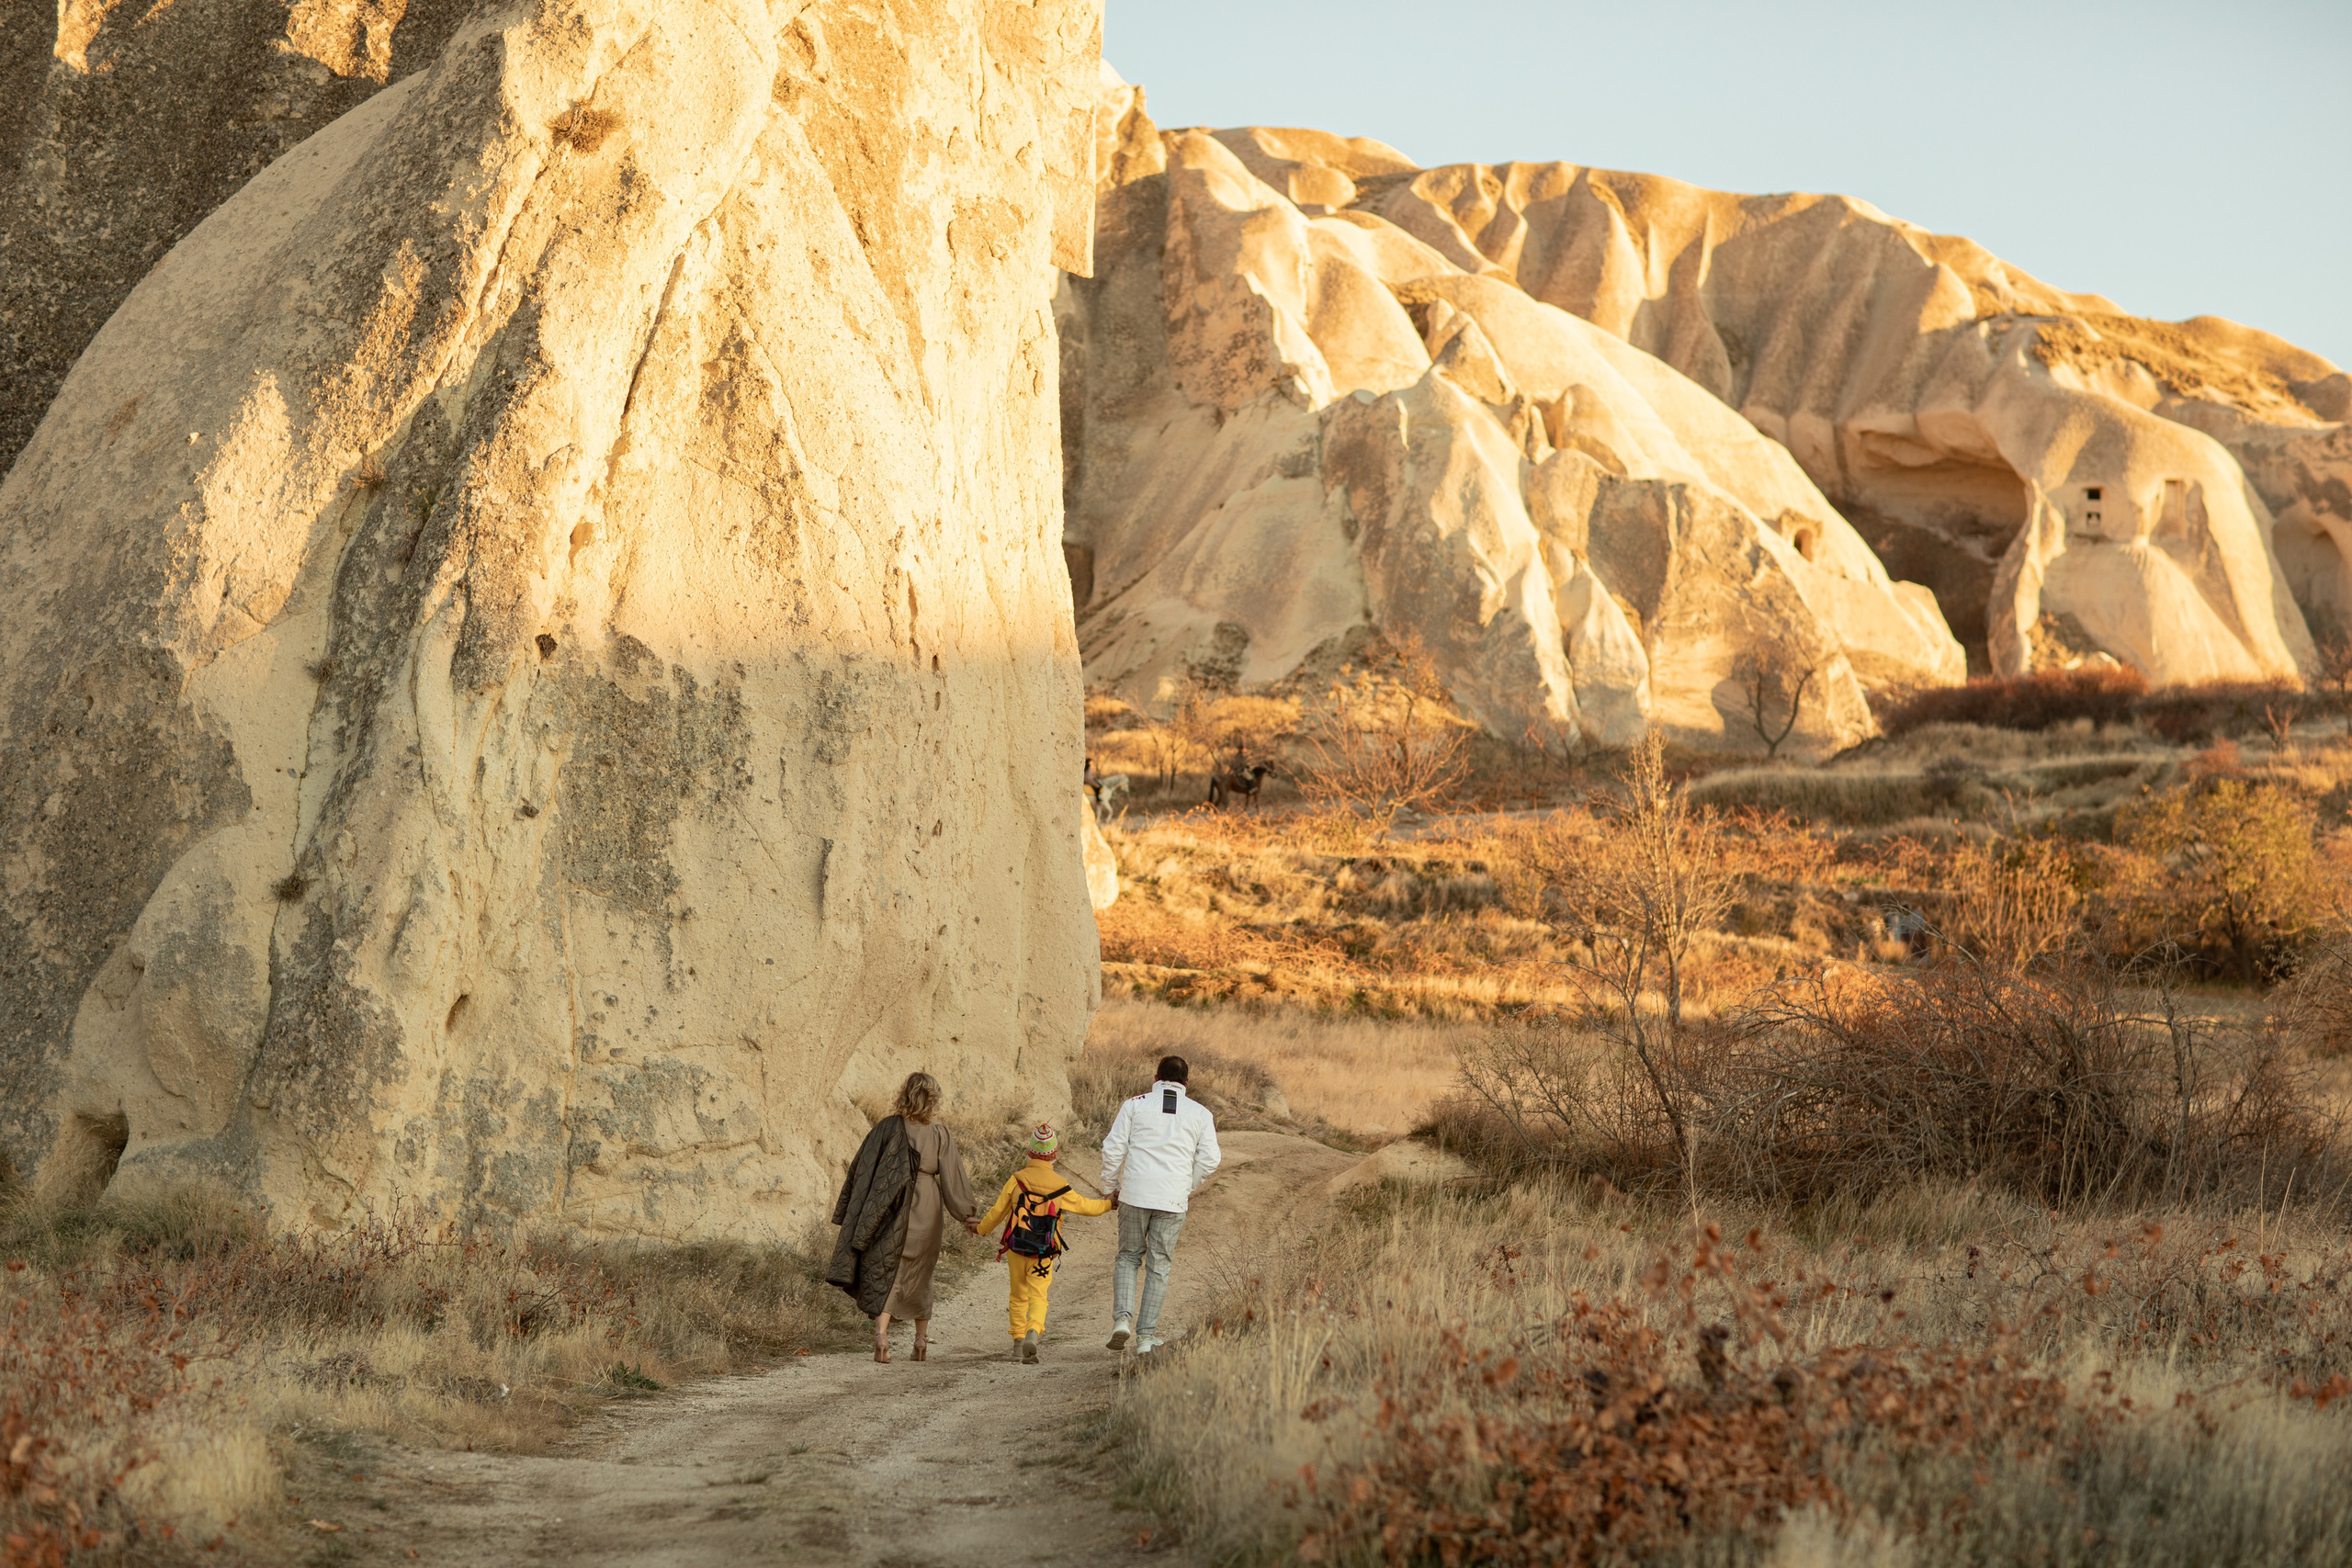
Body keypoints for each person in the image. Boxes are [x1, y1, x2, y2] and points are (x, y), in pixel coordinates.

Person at [826, 1072, 976, 1364]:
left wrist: (854, 1210)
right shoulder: (939, 1133)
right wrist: (967, 1216)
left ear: (904, 1094)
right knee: (922, 1274)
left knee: (888, 1272)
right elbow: (953, 1180)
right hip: (927, 1208)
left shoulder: (886, 1128)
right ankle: (920, 1342)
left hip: (890, 1209)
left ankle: (881, 1337)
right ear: (933, 1100)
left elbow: (862, 1169)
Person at [1100, 1055, 1221, 1355]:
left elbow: (1112, 1149)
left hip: (1134, 1194)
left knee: (1128, 1256)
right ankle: (1145, 1338)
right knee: (1159, 1265)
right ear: (1187, 1083)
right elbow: (1210, 1160)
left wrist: (1109, 1188)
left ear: (1156, 1079)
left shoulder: (1135, 1104)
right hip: (1172, 1200)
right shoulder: (1200, 1113)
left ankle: (1121, 1321)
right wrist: (1186, 1184)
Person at [970, 1122, 1114, 1363]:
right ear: (1054, 1155)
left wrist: (980, 1229)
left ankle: (1017, 1343)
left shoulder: (1018, 1180)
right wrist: (1110, 1204)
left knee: (1018, 1295)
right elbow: (1086, 1207)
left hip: (1016, 1247)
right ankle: (1033, 1332)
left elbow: (997, 1212)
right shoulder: (1061, 1186)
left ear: (1030, 1152)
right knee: (1038, 1296)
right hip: (1044, 1252)